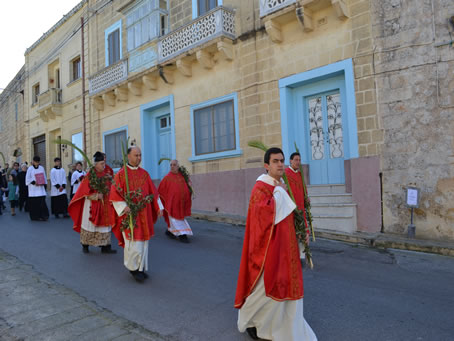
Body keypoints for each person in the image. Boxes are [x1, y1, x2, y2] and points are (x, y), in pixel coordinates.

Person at [234, 147, 317, 341]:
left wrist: (301, 231)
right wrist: (280, 193)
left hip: (286, 247)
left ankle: (279, 325)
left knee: (283, 287)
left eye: (281, 160)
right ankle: (249, 322)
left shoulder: (281, 184)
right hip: (268, 250)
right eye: (275, 161)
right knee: (263, 291)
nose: (280, 164)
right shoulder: (261, 187)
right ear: (266, 165)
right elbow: (262, 216)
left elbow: (291, 213)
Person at [110, 146, 163, 282]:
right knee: (133, 242)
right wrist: (123, 207)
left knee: (144, 242)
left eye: (140, 155)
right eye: (136, 155)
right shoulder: (121, 175)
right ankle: (133, 268)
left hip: (144, 213)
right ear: (128, 156)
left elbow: (153, 192)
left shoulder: (144, 174)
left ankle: (141, 267)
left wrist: (159, 207)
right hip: (130, 215)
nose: (139, 158)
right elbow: (114, 194)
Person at [68, 152, 117, 254]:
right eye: (102, 163)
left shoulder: (106, 174)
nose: (104, 165)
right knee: (89, 225)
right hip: (91, 204)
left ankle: (105, 246)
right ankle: (85, 245)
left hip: (104, 204)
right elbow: (84, 192)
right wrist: (95, 196)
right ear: (96, 164)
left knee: (105, 225)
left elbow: (111, 187)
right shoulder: (90, 175)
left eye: (104, 163)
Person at [158, 159, 193, 243]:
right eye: (171, 165)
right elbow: (160, 190)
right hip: (172, 204)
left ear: (178, 166)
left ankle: (170, 232)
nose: (172, 166)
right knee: (175, 220)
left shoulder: (182, 176)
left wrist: (189, 187)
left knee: (177, 219)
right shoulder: (167, 178)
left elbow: (188, 186)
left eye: (174, 165)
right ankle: (182, 235)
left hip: (181, 203)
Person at [25, 156, 49, 221]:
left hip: (40, 189)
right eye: (35, 162)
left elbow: (44, 176)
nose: (36, 163)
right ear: (33, 161)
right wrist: (34, 182)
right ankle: (35, 216)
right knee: (34, 204)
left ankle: (43, 216)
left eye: (38, 162)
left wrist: (44, 184)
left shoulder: (41, 168)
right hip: (33, 190)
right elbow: (27, 178)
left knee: (42, 203)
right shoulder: (30, 169)